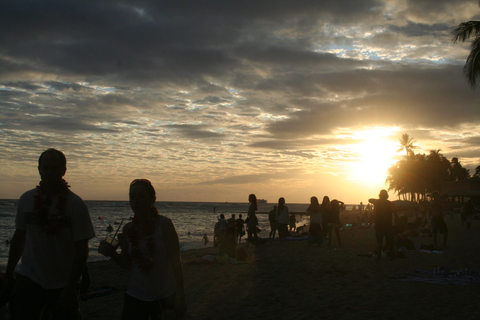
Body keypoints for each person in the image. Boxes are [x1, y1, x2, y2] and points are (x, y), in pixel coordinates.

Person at [1, 148, 95, 319]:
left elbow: (82, 249)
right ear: (39, 170)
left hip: (62, 281)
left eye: (54, 168)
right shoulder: (26, 199)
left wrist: (72, 286)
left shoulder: (76, 204)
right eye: (45, 168)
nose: (49, 172)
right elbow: (19, 237)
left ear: (63, 171)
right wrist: (9, 273)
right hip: (29, 277)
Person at [98, 179, 186, 319]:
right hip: (135, 295)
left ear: (153, 199)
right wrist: (112, 254)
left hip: (163, 295)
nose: (135, 201)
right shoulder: (127, 229)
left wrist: (181, 295)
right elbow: (128, 265)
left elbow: (176, 262)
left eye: (141, 196)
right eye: (132, 196)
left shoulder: (164, 225)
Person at [369, 190, 397, 259]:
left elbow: (370, 200)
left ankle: (379, 257)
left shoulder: (377, 203)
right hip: (388, 225)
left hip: (379, 225)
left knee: (379, 242)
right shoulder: (390, 204)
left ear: (380, 195)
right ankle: (392, 256)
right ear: (387, 195)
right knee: (390, 241)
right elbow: (396, 214)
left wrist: (380, 200)